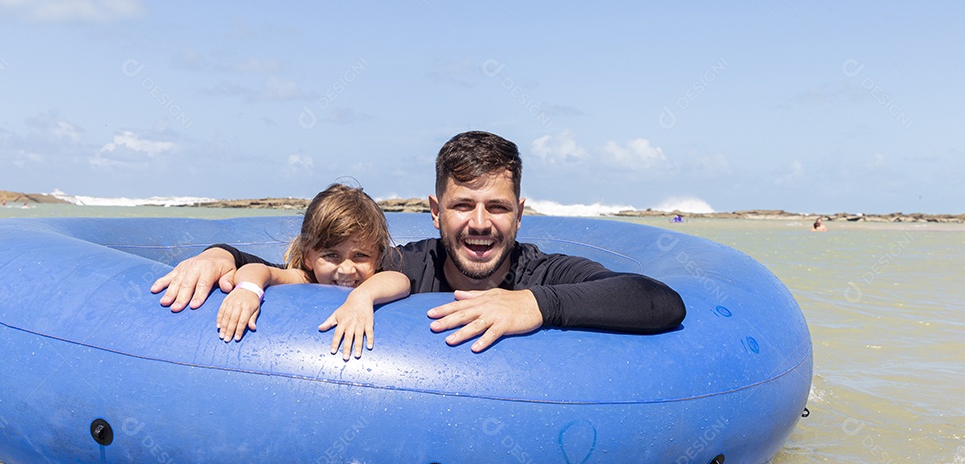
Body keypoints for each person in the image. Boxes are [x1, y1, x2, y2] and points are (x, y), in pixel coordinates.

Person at [152, 131, 686, 352]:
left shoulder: (541, 273)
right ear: (435, 213)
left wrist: (534, 306)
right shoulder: (398, 265)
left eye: (497, 207)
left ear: (520, 215)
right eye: (462, 206)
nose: (480, 224)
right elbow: (304, 270)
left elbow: (659, 301)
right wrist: (219, 255)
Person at [214, 183, 409, 360]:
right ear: (308, 256)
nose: (347, 269)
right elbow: (259, 269)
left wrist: (362, 297)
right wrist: (248, 290)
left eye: (361, 255)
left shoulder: (373, 281)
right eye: (331, 255)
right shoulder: (304, 278)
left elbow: (400, 280)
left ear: (378, 257)